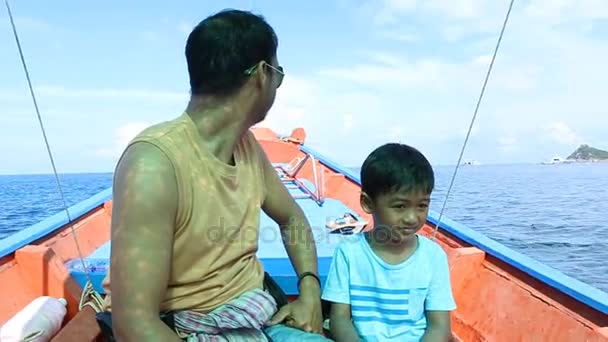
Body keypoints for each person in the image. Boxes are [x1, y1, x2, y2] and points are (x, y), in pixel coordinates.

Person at [103, 9, 331, 342]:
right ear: (261, 76)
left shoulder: (247, 146)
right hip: (187, 328)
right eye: (277, 75)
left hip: (255, 313)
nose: (276, 85)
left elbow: (292, 219)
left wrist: (309, 289)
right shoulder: (154, 164)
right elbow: (133, 325)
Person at [321, 143, 457, 341]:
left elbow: (439, 327)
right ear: (368, 203)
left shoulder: (433, 256)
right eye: (400, 206)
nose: (412, 217)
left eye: (422, 205)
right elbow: (340, 319)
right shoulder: (348, 252)